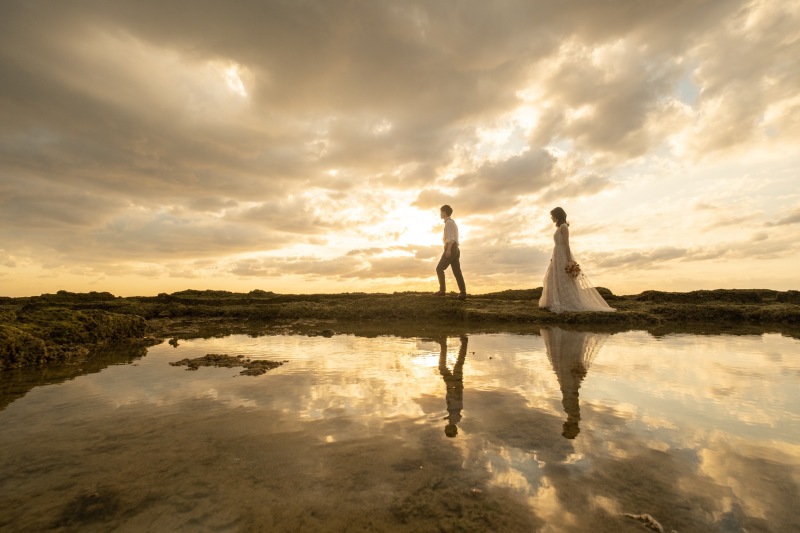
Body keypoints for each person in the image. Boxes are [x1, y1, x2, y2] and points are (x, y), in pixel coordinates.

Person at [539, 207, 615, 313]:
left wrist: (569, 260)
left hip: (563, 255)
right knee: (552, 278)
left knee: (564, 279)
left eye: (552, 215)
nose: (551, 217)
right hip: (557, 255)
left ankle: (567, 302)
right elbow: (557, 245)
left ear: (557, 215)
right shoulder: (558, 227)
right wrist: (553, 258)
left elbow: (566, 244)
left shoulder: (564, 227)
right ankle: (553, 302)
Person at [438, 335, 468, 438]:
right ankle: (444, 343)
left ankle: (463, 343)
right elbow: (456, 403)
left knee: (458, 363)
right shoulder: (455, 418)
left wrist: (447, 418)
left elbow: (455, 407)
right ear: (452, 429)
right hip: (454, 386)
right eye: (448, 430)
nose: (446, 428)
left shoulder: (454, 419)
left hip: (455, 386)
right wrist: (453, 388)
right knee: (443, 367)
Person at [435, 205, 467, 300]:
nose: (440, 214)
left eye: (441, 212)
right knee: (457, 272)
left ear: (444, 212)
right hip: (455, 249)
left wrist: (448, 250)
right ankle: (463, 293)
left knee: (439, 269)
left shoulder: (448, 222)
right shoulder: (452, 222)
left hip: (451, 248)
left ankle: (442, 291)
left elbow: (451, 238)